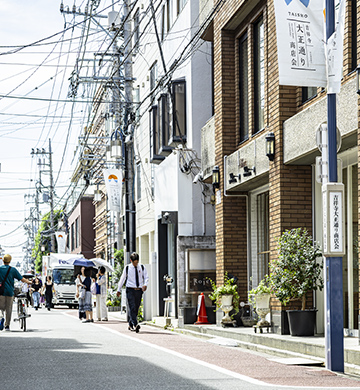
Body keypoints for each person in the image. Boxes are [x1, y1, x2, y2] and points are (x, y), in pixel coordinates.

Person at [117, 252, 149, 333]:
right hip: (130, 289)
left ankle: (130, 324)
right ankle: (135, 324)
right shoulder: (127, 268)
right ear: (131, 261)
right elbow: (122, 278)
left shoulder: (141, 267)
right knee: (132, 307)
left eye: (137, 262)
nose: (136, 264)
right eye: (134, 262)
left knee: (136, 308)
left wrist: (145, 285)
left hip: (139, 290)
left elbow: (146, 277)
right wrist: (118, 289)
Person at [0, 254, 32, 331]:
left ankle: (1, 318)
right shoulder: (12, 270)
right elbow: (21, 279)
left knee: (0, 308)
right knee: (8, 309)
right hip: (10, 292)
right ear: (10, 261)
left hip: (0, 291)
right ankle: (7, 325)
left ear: (3, 260)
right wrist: (29, 282)